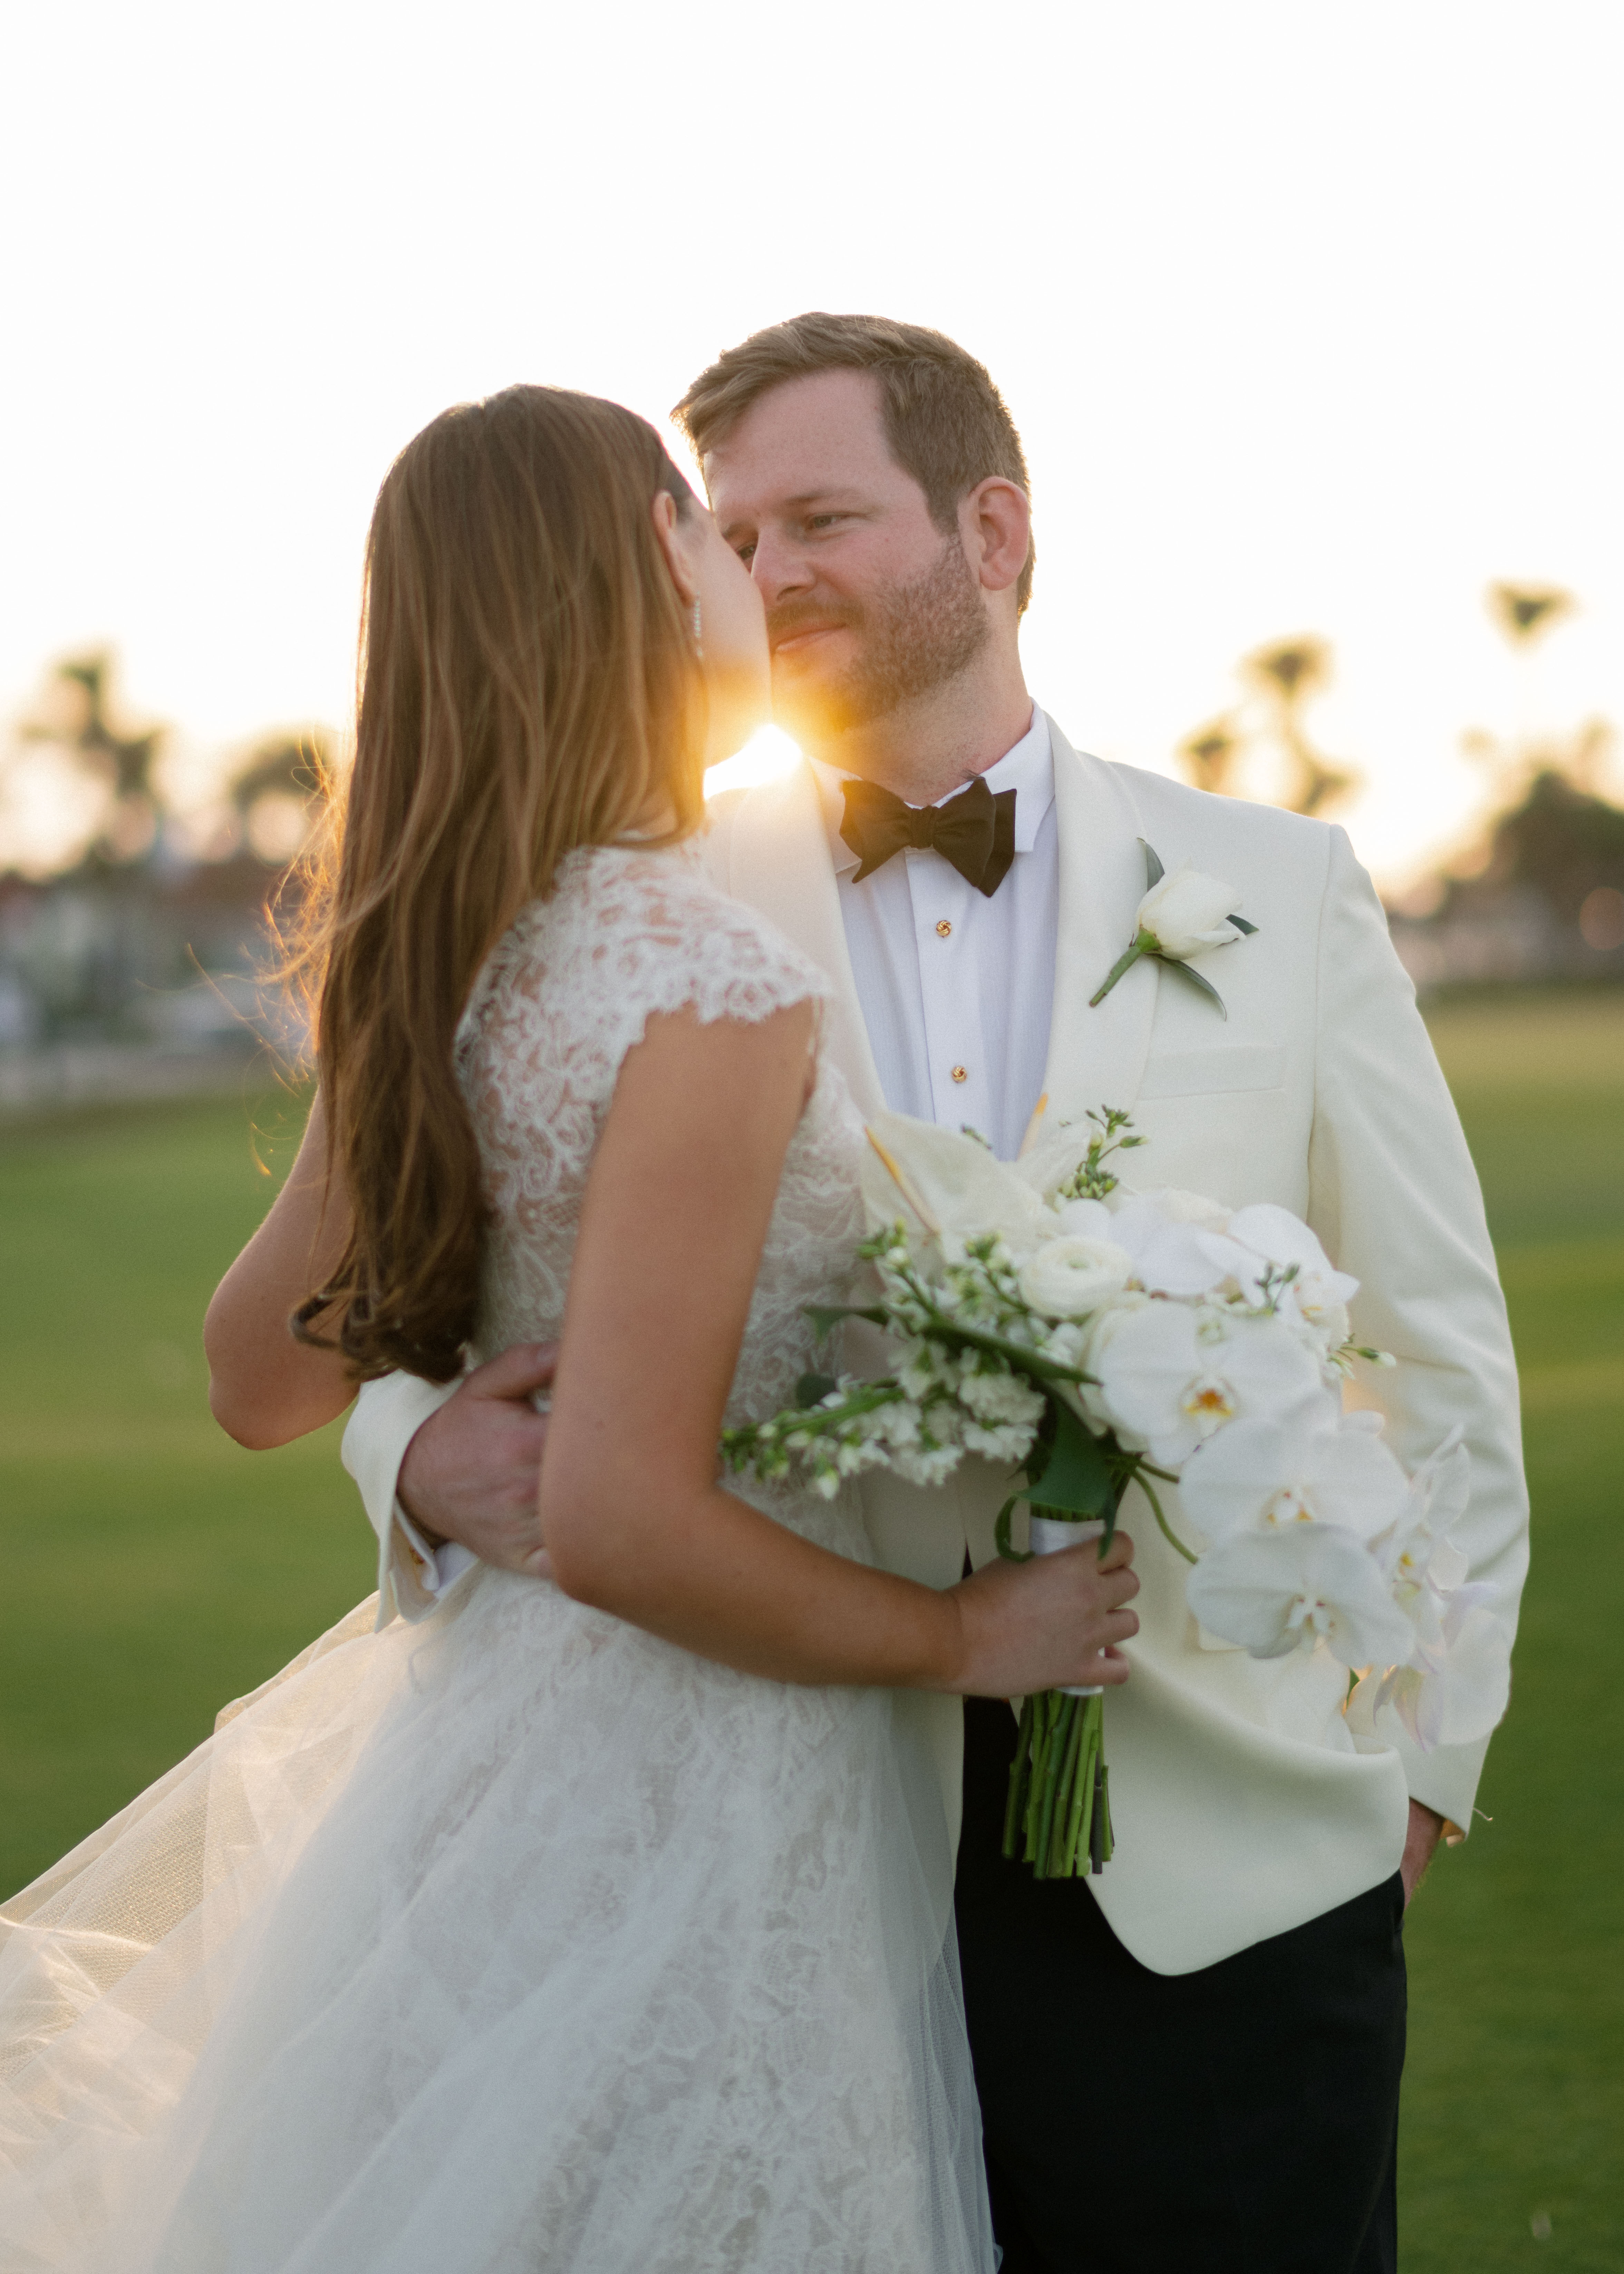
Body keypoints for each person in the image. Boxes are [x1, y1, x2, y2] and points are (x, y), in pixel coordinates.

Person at [345, 316, 1531, 2274]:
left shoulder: (1278, 882)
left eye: (823, 513)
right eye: (731, 531)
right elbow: (414, 1304)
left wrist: (1422, 1776)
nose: (769, 566)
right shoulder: (632, 901)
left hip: (1223, 1866)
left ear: (994, 531)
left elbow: (1439, 1354)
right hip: (772, 1851)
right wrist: (405, 1456)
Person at [0, 384, 1145, 2273]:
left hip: (485, 1769)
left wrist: (427, 1436)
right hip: (699, 1794)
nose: (739, 564)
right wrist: (962, 1634)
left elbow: (254, 1371)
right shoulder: (703, 978)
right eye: (699, 529)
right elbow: (622, 1516)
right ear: (636, 574)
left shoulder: (453, 945)